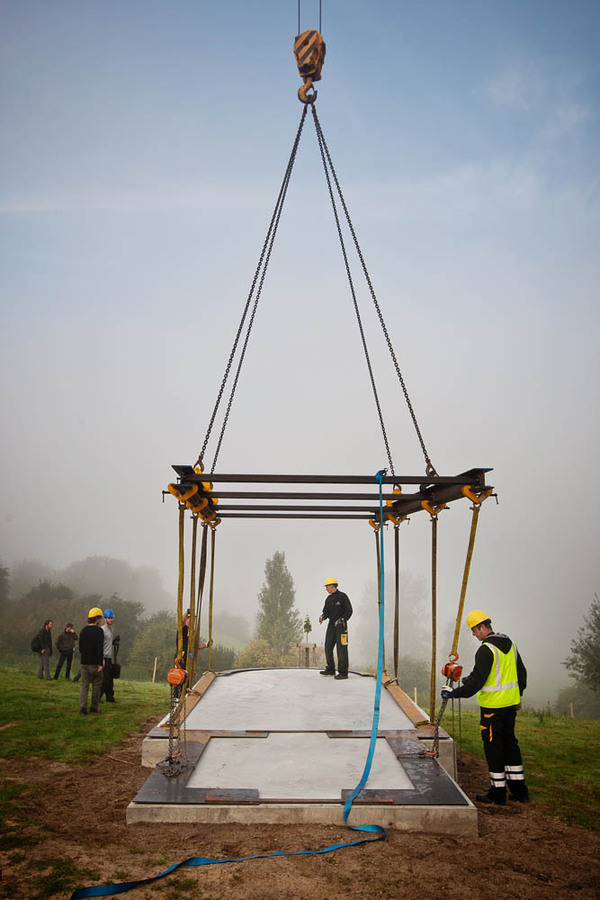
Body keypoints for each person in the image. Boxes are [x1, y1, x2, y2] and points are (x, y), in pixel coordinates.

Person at [441, 608, 529, 805]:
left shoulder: (486, 650)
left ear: (482, 627)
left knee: (493, 747)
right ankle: (519, 791)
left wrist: (453, 692)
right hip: (510, 706)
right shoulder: (511, 645)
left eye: (474, 630)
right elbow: (521, 674)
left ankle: (497, 792)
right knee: (510, 745)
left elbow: (477, 683)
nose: (473, 634)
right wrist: (517, 696)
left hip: (492, 709)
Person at [319, 577, 353, 680]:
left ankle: (343, 673)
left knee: (341, 649)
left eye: (327, 586)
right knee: (328, 647)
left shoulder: (342, 596)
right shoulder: (328, 599)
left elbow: (349, 610)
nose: (326, 589)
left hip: (341, 626)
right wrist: (323, 616)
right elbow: (326, 612)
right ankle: (330, 669)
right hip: (331, 626)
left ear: (332, 586)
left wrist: (342, 619)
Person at [78, 607, 104, 715]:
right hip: (94, 664)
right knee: (96, 685)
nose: (100, 620)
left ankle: (82, 708)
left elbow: (80, 648)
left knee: (84, 686)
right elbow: (99, 648)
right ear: (96, 618)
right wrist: (100, 663)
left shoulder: (83, 630)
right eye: (100, 618)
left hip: (84, 663)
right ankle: (93, 708)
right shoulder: (99, 631)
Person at [99, 608, 118, 703]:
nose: (111, 620)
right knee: (104, 679)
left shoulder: (110, 630)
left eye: (112, 618)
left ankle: (110, 697)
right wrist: (101, 659)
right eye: (109, 618)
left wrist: (114, 642)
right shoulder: (102, 630)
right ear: (105, 618)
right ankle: (97, 697)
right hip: (104, 657)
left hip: (109, 657)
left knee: (110, 679)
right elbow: (100, 645)